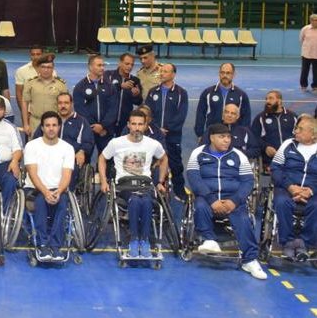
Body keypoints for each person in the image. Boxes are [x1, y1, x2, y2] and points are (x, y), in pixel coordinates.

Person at [186, 123, 267, 280]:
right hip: (207, 197)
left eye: (228, 137)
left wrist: (234, 201)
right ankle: (209, 239)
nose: (226, 140)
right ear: (212, 138)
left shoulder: (239, 155)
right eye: (222, 137)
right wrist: (212, 199)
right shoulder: (198, 153)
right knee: (200, 205)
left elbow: (248, 181)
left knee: (244, 220)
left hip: (233, 198)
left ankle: (250, 260)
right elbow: (194, 179)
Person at [99, 110, 168, 258]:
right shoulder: (116, 143)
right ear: (128, 125)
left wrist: (161, 181)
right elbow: (102, 158)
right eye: (134, 124)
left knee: (147, 201)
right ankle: (134, 240)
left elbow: (164, 159)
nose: (137, 128)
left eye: (140, 124)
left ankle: (145, 240)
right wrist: (103, 181)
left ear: (145, 126)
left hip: (145, 183)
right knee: (135, 200)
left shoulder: (153, 144)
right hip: (125, 184)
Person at [24, 111, 75, 259]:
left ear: (59, 127)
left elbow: (66, 175)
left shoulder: (67, 148)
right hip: (36, 189)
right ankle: (42, 245)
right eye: (47, 125)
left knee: (63, 202)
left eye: (54, 125)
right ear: (42, 128)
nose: (51, 128)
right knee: (40, 201)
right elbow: (33, 174)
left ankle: (55, 245)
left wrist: (58, 191)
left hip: (58, 189)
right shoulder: (32, 146)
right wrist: (46, 192)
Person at [272, 114, 317, 260]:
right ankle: (288, 242)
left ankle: (304, 243)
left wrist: (311, 191)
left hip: (312, 191)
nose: (295, 131)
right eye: (296, 128)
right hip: (286, 188)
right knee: (281, 202)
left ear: (313, 134)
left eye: (300, 129)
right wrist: (290, 187)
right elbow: (276, 168)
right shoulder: (288, 144)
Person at [144, 63, 188, 199]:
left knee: (175, 164)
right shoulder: (153, 92)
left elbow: (181, 115)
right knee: (152, 161)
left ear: (173, 74)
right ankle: (152, 188)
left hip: (172, 136)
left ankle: (179, 191)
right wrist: (157, 129)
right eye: (161, 71)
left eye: (165, 71)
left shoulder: (181, 93)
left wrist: (167, 128)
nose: (162, 73)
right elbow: (147, 113)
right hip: (154, 135)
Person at [73, 54, 117, 156]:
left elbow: (113, 108)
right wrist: (94, 126)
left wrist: (102, 126)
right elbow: (79, 108)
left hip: (106, 130)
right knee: (85, 158)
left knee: (106, 158)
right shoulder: (80, 87)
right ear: (90, 67)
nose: (102, 68)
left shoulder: (110, 86)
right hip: (87, 129)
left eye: (103, 65)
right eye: (99, 65)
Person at [194, 63, 251, 139]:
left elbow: (246, 118)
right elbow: (200, 114)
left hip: (233, 135)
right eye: (222, 72)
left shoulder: (241, 95)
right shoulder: (208, 93)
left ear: (233, 75)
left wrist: (243, 136)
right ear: (219, 74)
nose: (225, 75)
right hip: (213, 134)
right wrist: (200, 134)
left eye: (228, 73)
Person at [21, 54, 67, 136]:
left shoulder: (61, 85)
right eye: (43, 67)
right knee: (34, 144)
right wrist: (25, 124)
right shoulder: (30, 83)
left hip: (53, 123)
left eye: (49, 67)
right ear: (38, 68)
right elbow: (25, 103)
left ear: (53, 69)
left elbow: (66, 105)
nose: (46, 70)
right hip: (35, 122)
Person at [251, 90, 297, 168]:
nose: (267, 101)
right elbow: (254, 137)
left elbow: (298, 135)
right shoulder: (260, 118)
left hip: (291, 158)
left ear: (279, 101)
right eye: (266, 99)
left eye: (271, 98)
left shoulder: (292, 116)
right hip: (270, 160)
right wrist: (265, 147)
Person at [300, 14, 317, 92]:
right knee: (304, 71)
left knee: (316, 71)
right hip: (306, 54)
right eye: (314, 20)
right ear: (311, 20)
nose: (315, 22)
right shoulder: (305, 29)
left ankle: (315, 86)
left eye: (316, 20)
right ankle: (303, 85)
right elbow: (301, 39)